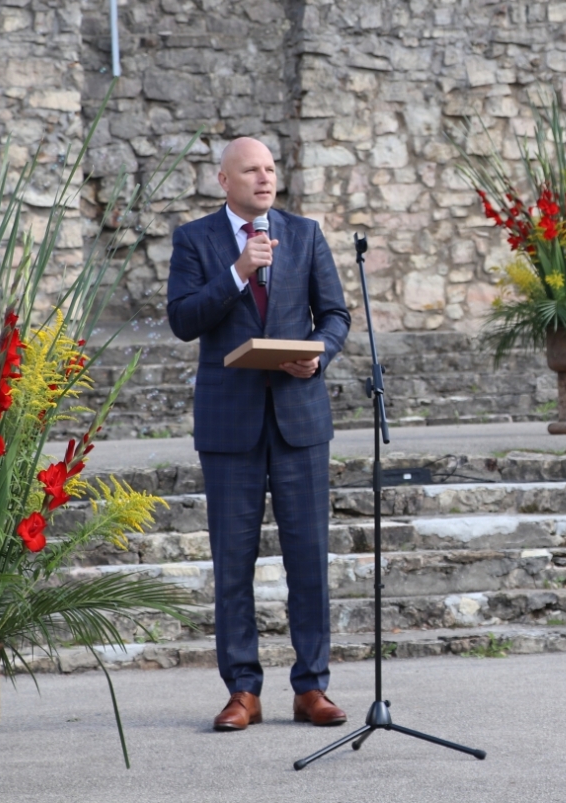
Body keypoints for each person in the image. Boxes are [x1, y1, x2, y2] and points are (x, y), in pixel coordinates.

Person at [166, 137, 352, 732]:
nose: (265, 178)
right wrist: (238, 273)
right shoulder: (195, 241)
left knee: (308, 561)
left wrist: (319, 354)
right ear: (224, 179)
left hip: (299, 419)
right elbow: (183, 320)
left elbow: (336, 316)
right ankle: (242, 690)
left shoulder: (305, 234)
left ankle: (311, 687)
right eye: (251, 170)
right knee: (233, 564)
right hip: (230, 424)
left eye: (271, 168)